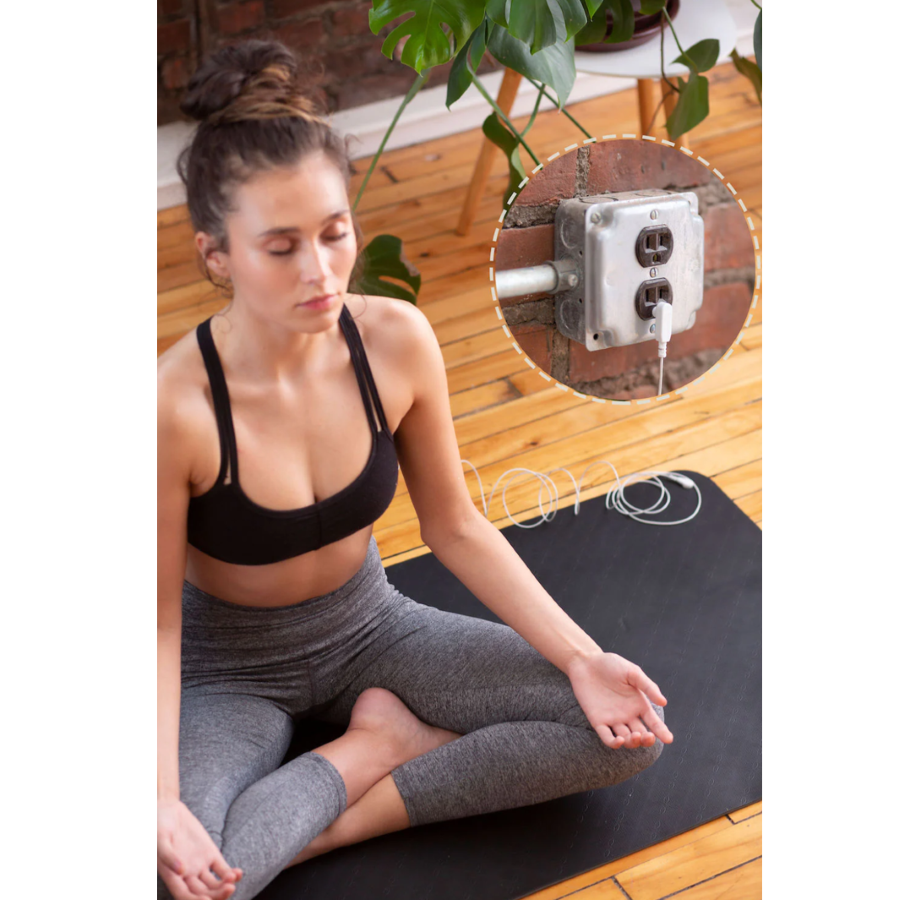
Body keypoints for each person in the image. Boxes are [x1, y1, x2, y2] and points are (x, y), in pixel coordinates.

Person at [157, 39, 673, 900]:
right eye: (280, 247)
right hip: (227, 666)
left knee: (625, 734)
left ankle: (350, 787)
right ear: (218, 254)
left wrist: (583, 660)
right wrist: (161, 797)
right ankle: (375, 747)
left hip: (372, 625)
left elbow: (456, 526)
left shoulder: (394, 340)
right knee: (182, 873)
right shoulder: (174, 406)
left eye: (333, 233)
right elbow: (155, 622)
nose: (319, 272)